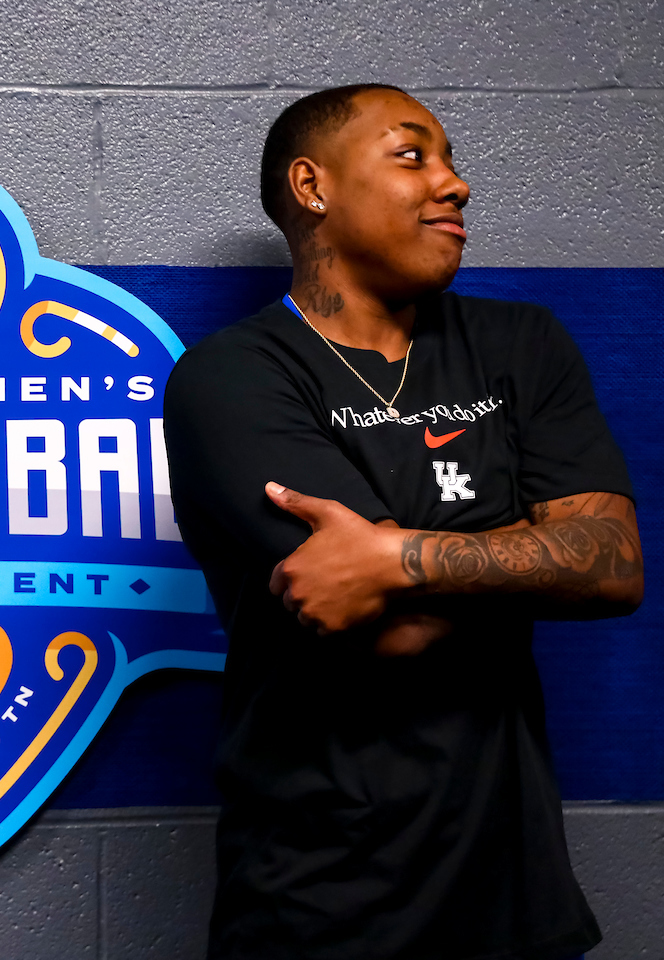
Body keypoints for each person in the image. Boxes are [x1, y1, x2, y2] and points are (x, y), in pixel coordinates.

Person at [163, 84, 643, 960]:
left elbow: (612, 565)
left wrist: (393, 553)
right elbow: (392, 630)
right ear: (313, 187)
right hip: (320, 902)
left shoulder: (521, 344)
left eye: (454, 161)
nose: (455, 184)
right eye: (414, 155)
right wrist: (515, 555)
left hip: (517, 895)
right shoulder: (230, 379)